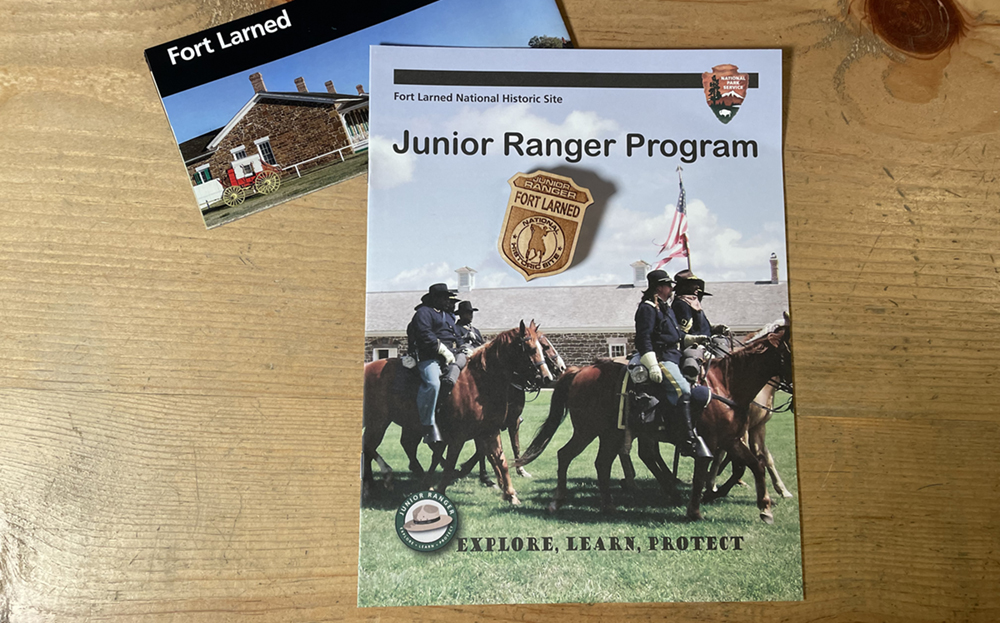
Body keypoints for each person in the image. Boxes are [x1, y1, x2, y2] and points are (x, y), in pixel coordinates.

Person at [634, 269, 711, 458]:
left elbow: (676, 334)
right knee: (684, 390)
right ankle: (686, 440)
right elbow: (643, 339)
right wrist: (652, 364)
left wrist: (694, 338)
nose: (671, 289)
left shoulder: (664, 307)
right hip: (662, 358)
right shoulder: (648, 308)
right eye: (669, 286)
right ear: (660, 287)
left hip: (674, 355)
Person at [406, 283, 463, 444]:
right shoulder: (422, 313)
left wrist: (463, 347)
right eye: (444, 297)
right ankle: (427, 425)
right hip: (429, 357)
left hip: (450, 357)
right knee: (433, 384)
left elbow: (455, 334)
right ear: (435, 298)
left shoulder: (447, 316)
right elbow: (425, 335)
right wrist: (443, 350)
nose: (447, 300)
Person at [672, 269, 729, 381]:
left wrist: (716, 328)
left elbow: (704, 325)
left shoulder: (694, 304)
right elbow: (681, 331)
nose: (697, 287)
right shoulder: (680, 304)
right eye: (693, 285)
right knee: (692, 364)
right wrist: (696, 339)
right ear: (685, 286)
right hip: (693, 346)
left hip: (708, 343)